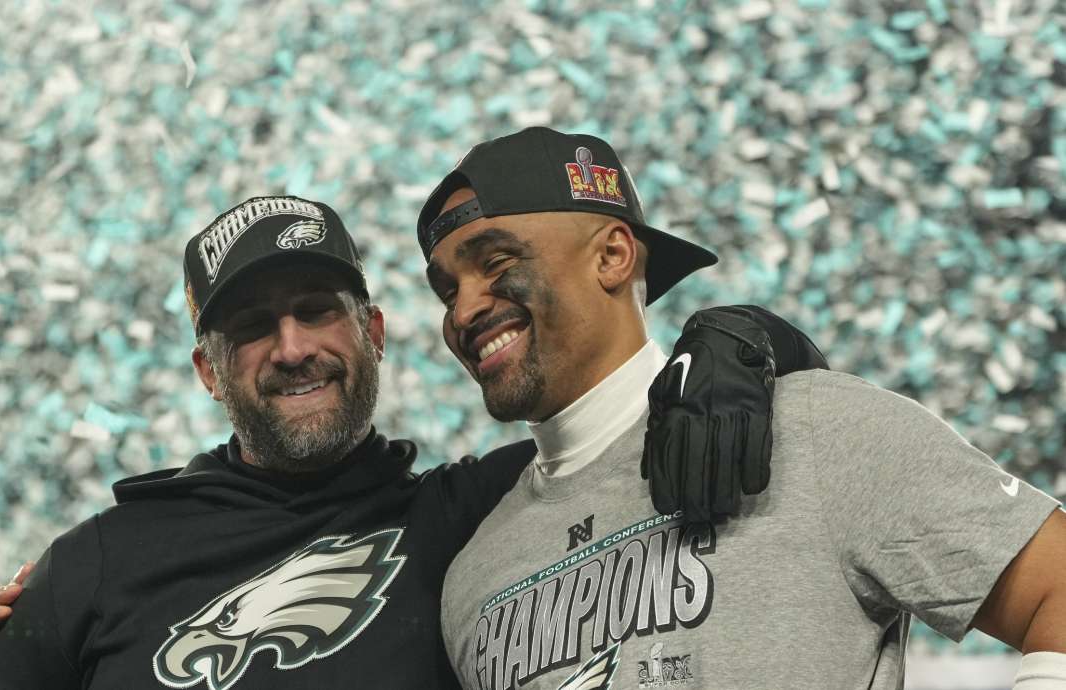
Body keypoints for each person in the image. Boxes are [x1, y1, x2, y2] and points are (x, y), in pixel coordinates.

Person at [0, 195, 823, 690]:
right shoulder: (98, 563)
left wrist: (742, 340)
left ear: (375, 332)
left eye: (317, 312)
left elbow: (648, 415)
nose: (294, 347)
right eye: (254, 329)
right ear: (206, 370)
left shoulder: (477, 514)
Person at [418, 126, 1066, 690]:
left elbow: (1054, 588)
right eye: (447, 289)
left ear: (613, 255)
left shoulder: (811, 428)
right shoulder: (472, 577)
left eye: (496, 262)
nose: (465, 309)